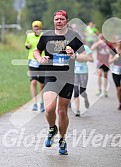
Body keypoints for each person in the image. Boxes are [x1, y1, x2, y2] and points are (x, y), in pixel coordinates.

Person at [33, 10, 87, 155]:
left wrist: (74, 55)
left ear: (66, 21)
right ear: (54, 21)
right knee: (50, 108)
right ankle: (52, 128)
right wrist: (39, 59)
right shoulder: (46, 36)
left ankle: (62, 140)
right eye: (56, 19)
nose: (59, 21)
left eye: (62, 19)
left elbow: (85, 56)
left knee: (62, 112)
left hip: (67, 78)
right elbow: (36, 51)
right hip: (50, 75)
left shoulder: (73, 36)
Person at [25, 20, 45, 112]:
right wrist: (27, 45)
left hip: (42, 61)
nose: (36, 30)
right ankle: (34, 103)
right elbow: (26, 44)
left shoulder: (44, 36)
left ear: (41, 29)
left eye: (38, 28)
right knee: (33, 82)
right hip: (32, 60)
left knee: (42, 84)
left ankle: (42, 102)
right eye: (34, 28)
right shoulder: (29, 36)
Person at [73, 45, 94, 117]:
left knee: (82, 92)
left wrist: (85, 58)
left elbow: (92, 60)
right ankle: (77, 110)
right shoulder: (72, 47)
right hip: (74, 72)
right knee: (76, 91)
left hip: (83, 72)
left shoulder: (86, 48)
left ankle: (85, 98)